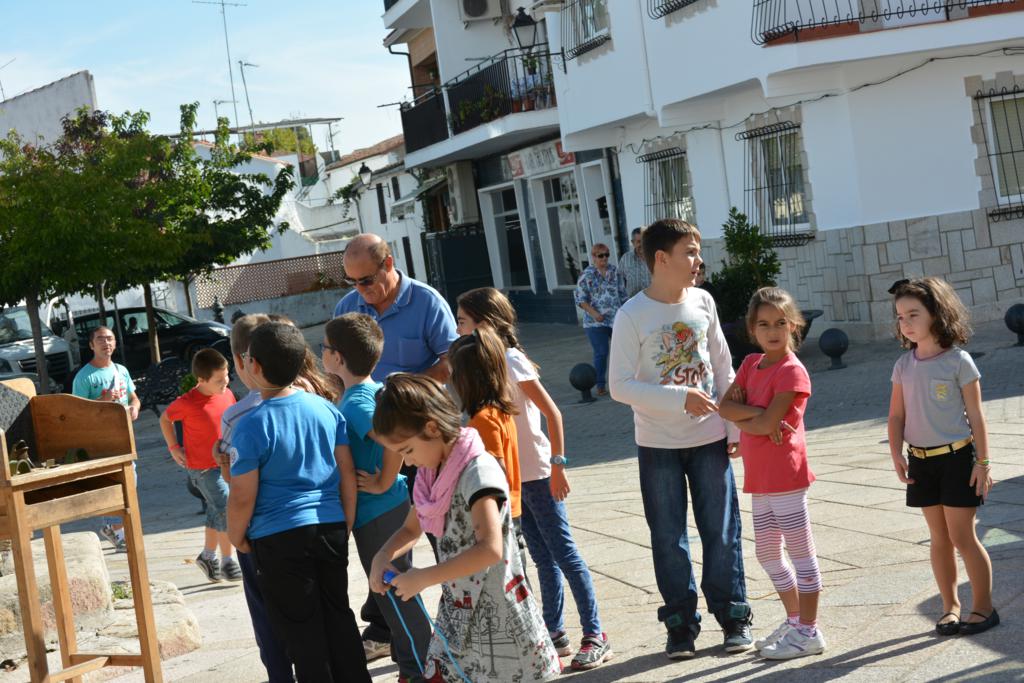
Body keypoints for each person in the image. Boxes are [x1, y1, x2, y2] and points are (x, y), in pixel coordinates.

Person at [608, 218, 752, 659]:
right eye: (689, 252)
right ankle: (680, 626)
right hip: (657, 445)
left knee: (721, 531)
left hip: (710, 438)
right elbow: (618, 385)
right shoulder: (631, 315)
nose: (698, 261)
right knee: (669, 538)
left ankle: (733, 617)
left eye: (698, 251)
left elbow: (724, 368)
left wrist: (733, 426)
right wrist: (679, 398)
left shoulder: (703, 302)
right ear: (661, 258)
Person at [456, 287, 611, 671]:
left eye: (462, 321)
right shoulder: (486, 361)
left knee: (564, 553)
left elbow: (553, 413)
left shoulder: (511, 359)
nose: (457, 329)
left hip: (539, 473)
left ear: (484, 322)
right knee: (542, 557)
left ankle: (595, 633)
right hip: (514, 478)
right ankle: (554, 630)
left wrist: (558, 465)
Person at [368, 373, 560, 682]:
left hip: (500, 617)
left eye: (407, 450)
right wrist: (382, 555)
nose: (407, 463)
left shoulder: (478, 471)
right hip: (459, 614)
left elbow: (490, 549)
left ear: (432, 428)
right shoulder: (432, 474)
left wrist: (424, 577)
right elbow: (411, 529)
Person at [334, 233, 459, 659]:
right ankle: (392, 631)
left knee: (442, 538)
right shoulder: (348, 309)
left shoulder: (426, 302)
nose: (360, 290)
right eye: (352, 281)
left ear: (389, 264)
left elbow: (450, 360)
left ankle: (452, 624)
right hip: (379, 445)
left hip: (422, 441)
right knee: (388, 550)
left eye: (366, 280)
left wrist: (404, 393)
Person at [226, 322, 370, 682]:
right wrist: (346, 519)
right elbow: (346, 471)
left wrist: (236, 535)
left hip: (278, 537)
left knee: (302, 632)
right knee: (339, 617)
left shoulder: (250, 426)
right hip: (330, 526)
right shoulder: (326, 410)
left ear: (253, 365)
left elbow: (242, 494)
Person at [321, 313, 431, 681]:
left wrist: (384, 480)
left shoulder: (356, 403)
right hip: (386, 509)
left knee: (395, 594)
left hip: (377, 512)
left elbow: (392, 438)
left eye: (323, 347)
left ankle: (422, 670)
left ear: (337, 358)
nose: (321, 353)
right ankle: (412, 665)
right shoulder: (370, 390)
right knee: (394, 592)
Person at [887, 277, 998, 636]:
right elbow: (896, 416)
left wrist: (983, 463)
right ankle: (950, 607)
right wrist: (896, 453)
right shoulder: (903, 365)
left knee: (962, 536)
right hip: (921, 461)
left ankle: (984, 608)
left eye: (913, 314)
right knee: (939, 539)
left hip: (957, 459)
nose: (905, 322)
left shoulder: (958, 361)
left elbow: (977, 417)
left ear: (936, 313)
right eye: (900, 316)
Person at [719, 287, 825, 660]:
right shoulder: (750, 364)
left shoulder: (792, 371)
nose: (772, 331)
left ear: (793, 325)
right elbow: (724, 408)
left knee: (801, 554)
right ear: (752, 329)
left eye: (780, 322)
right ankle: (795, 621)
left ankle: (809, 631)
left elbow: (765, 424)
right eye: (763, 324)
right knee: (766, 554)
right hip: (760, 477)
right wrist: (757, 415)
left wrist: (750, 414)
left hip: (785, 476)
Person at [213, 314, 294, 683]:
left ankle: (280, 675)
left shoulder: (237, 416)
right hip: (312, 524)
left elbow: (238, 482)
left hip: (261, 528)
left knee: (265, 611)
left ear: (242, 361)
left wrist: (236, 535)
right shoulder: (310, 399)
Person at [159, 348, 240, 582]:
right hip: (203, 469)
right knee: (225, 508)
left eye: (226, 377)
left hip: (227, 464)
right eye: (219, 380)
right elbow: (165, 419)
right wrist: (174, 447)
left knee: (216, 511)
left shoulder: (227, 394)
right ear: (201, 380)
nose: (225, 383)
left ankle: (207, 557)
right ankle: (228, 561)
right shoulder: (187, 402)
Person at [72, 325, 141, 552]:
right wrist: (102, 401)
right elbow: (77, 412)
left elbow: (133, 397)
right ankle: (116, 529)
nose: (106, 343)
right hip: (100, 439)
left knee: (130, 479)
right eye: (100, 339)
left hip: (124, 434)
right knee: (112, 482)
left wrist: (134, 407)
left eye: (110, 339)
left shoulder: (121, 370)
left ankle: (115, 527)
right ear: (91, 345)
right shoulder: (84, 376)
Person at [574, 242, 626, 396]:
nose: (604, 258)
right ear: (593, 257)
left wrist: (626, 312)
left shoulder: (614, 271)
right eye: (600, 255)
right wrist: (594, 313)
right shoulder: (586, 275)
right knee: (602, 352)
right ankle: (600, 385)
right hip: (595, 322)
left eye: (606, 255)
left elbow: (622, 294)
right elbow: (580, 300)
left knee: (622, 351)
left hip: (616, 319)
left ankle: (623, 381)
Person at [617, 227, 651, 299]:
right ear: (633, 242)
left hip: (654, 301)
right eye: (639, 241)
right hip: (633, 302)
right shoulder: (625, 259)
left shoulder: (656, 258)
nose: (642, 244)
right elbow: (620, 281)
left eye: (644, 241)